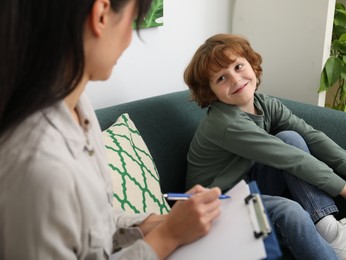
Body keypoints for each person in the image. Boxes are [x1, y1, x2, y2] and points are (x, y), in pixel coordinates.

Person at [0, 0, 223, 259]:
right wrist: (168, 237)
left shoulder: (78, 105)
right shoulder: (39, 167)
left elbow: (94, 220)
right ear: (101, 15)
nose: (129, 40)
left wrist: (157, 223)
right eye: (132, 22)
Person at [183, 33, 346, 260]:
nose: (234, 79)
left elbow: (311, 137)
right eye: (221, 78)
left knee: (291, 137)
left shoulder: (264, 104)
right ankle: (329, 246)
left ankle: (329, 230)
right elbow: (290, 159)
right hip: (217, 209)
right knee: (290, 211)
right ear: (210, 92)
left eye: (238, 66)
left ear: (252, 65)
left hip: (248, 186)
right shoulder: (225, 124)